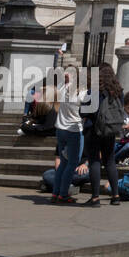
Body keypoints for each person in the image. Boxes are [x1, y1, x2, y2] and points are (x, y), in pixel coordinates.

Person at [82, 63, 125, 206]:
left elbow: (85, 111)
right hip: (110, 129)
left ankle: (95, 198)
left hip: (94, 129)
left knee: (94, 161)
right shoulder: (118, 90)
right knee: (110, 161)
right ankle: (116, 195)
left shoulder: (94, 90)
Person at [50, 66, 88, 204]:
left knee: (63, 163)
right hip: (74, 129)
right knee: (72, 163)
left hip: (60, 128)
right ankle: (63, 194)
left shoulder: (61, 88)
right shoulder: (82, 92)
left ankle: (55, 193)